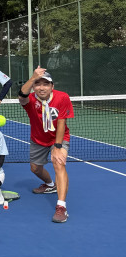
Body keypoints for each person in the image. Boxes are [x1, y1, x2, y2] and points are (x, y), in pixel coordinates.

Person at [18, 66, 74, 223]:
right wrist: (33, 77)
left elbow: (62, 122)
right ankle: (50, 185)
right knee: (35, 168)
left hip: (58, 137)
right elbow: (22, 96)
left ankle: (61, 207)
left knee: (59, 163)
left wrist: (58, 147)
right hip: (38, 139)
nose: (41, 87)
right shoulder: (30, 100)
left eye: (45, 84)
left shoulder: (62, 97)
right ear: (33, 87)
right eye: (37, 84)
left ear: (52, 86)